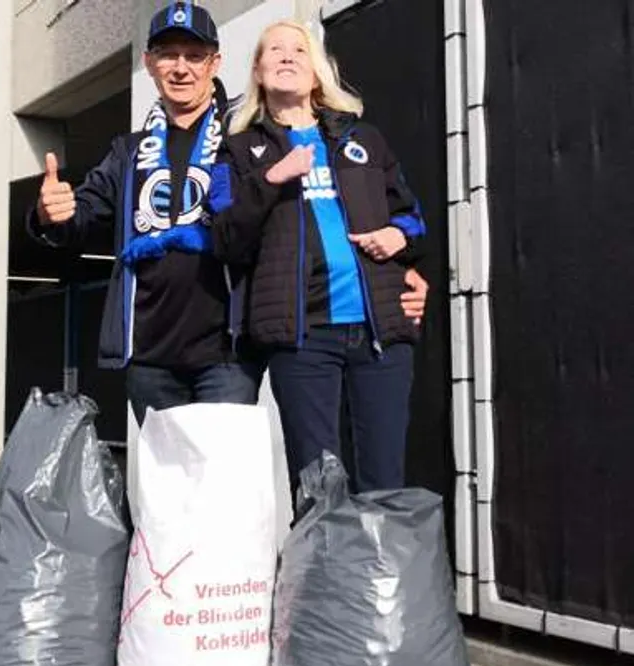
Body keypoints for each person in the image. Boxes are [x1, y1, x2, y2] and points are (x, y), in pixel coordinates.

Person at [30, 2, 429, 428]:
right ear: (149, 63)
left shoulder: (249, 135)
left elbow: (322, 202)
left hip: (230, 351)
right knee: (164, 492)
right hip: (148, 352)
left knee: (222, 488)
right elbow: (82, 219)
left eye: (194, 55)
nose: (181, 68)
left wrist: (393, 270)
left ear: (215, 63)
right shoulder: (127, 153)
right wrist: (51, 213)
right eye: (167, 54)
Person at [209, 19, 428, 500]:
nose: (287, 56)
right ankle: (320, 578)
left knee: (384, 482)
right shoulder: (238, 150)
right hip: (302, 336)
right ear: (258, 71)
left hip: (380, 336)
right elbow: (224, 238)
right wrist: (273, 178)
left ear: (317, 73)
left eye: (300, 51)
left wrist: (397, 235)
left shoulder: (363, 139)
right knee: (316, 486)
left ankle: (376, 577)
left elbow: (413, 217)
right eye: (275, 50)